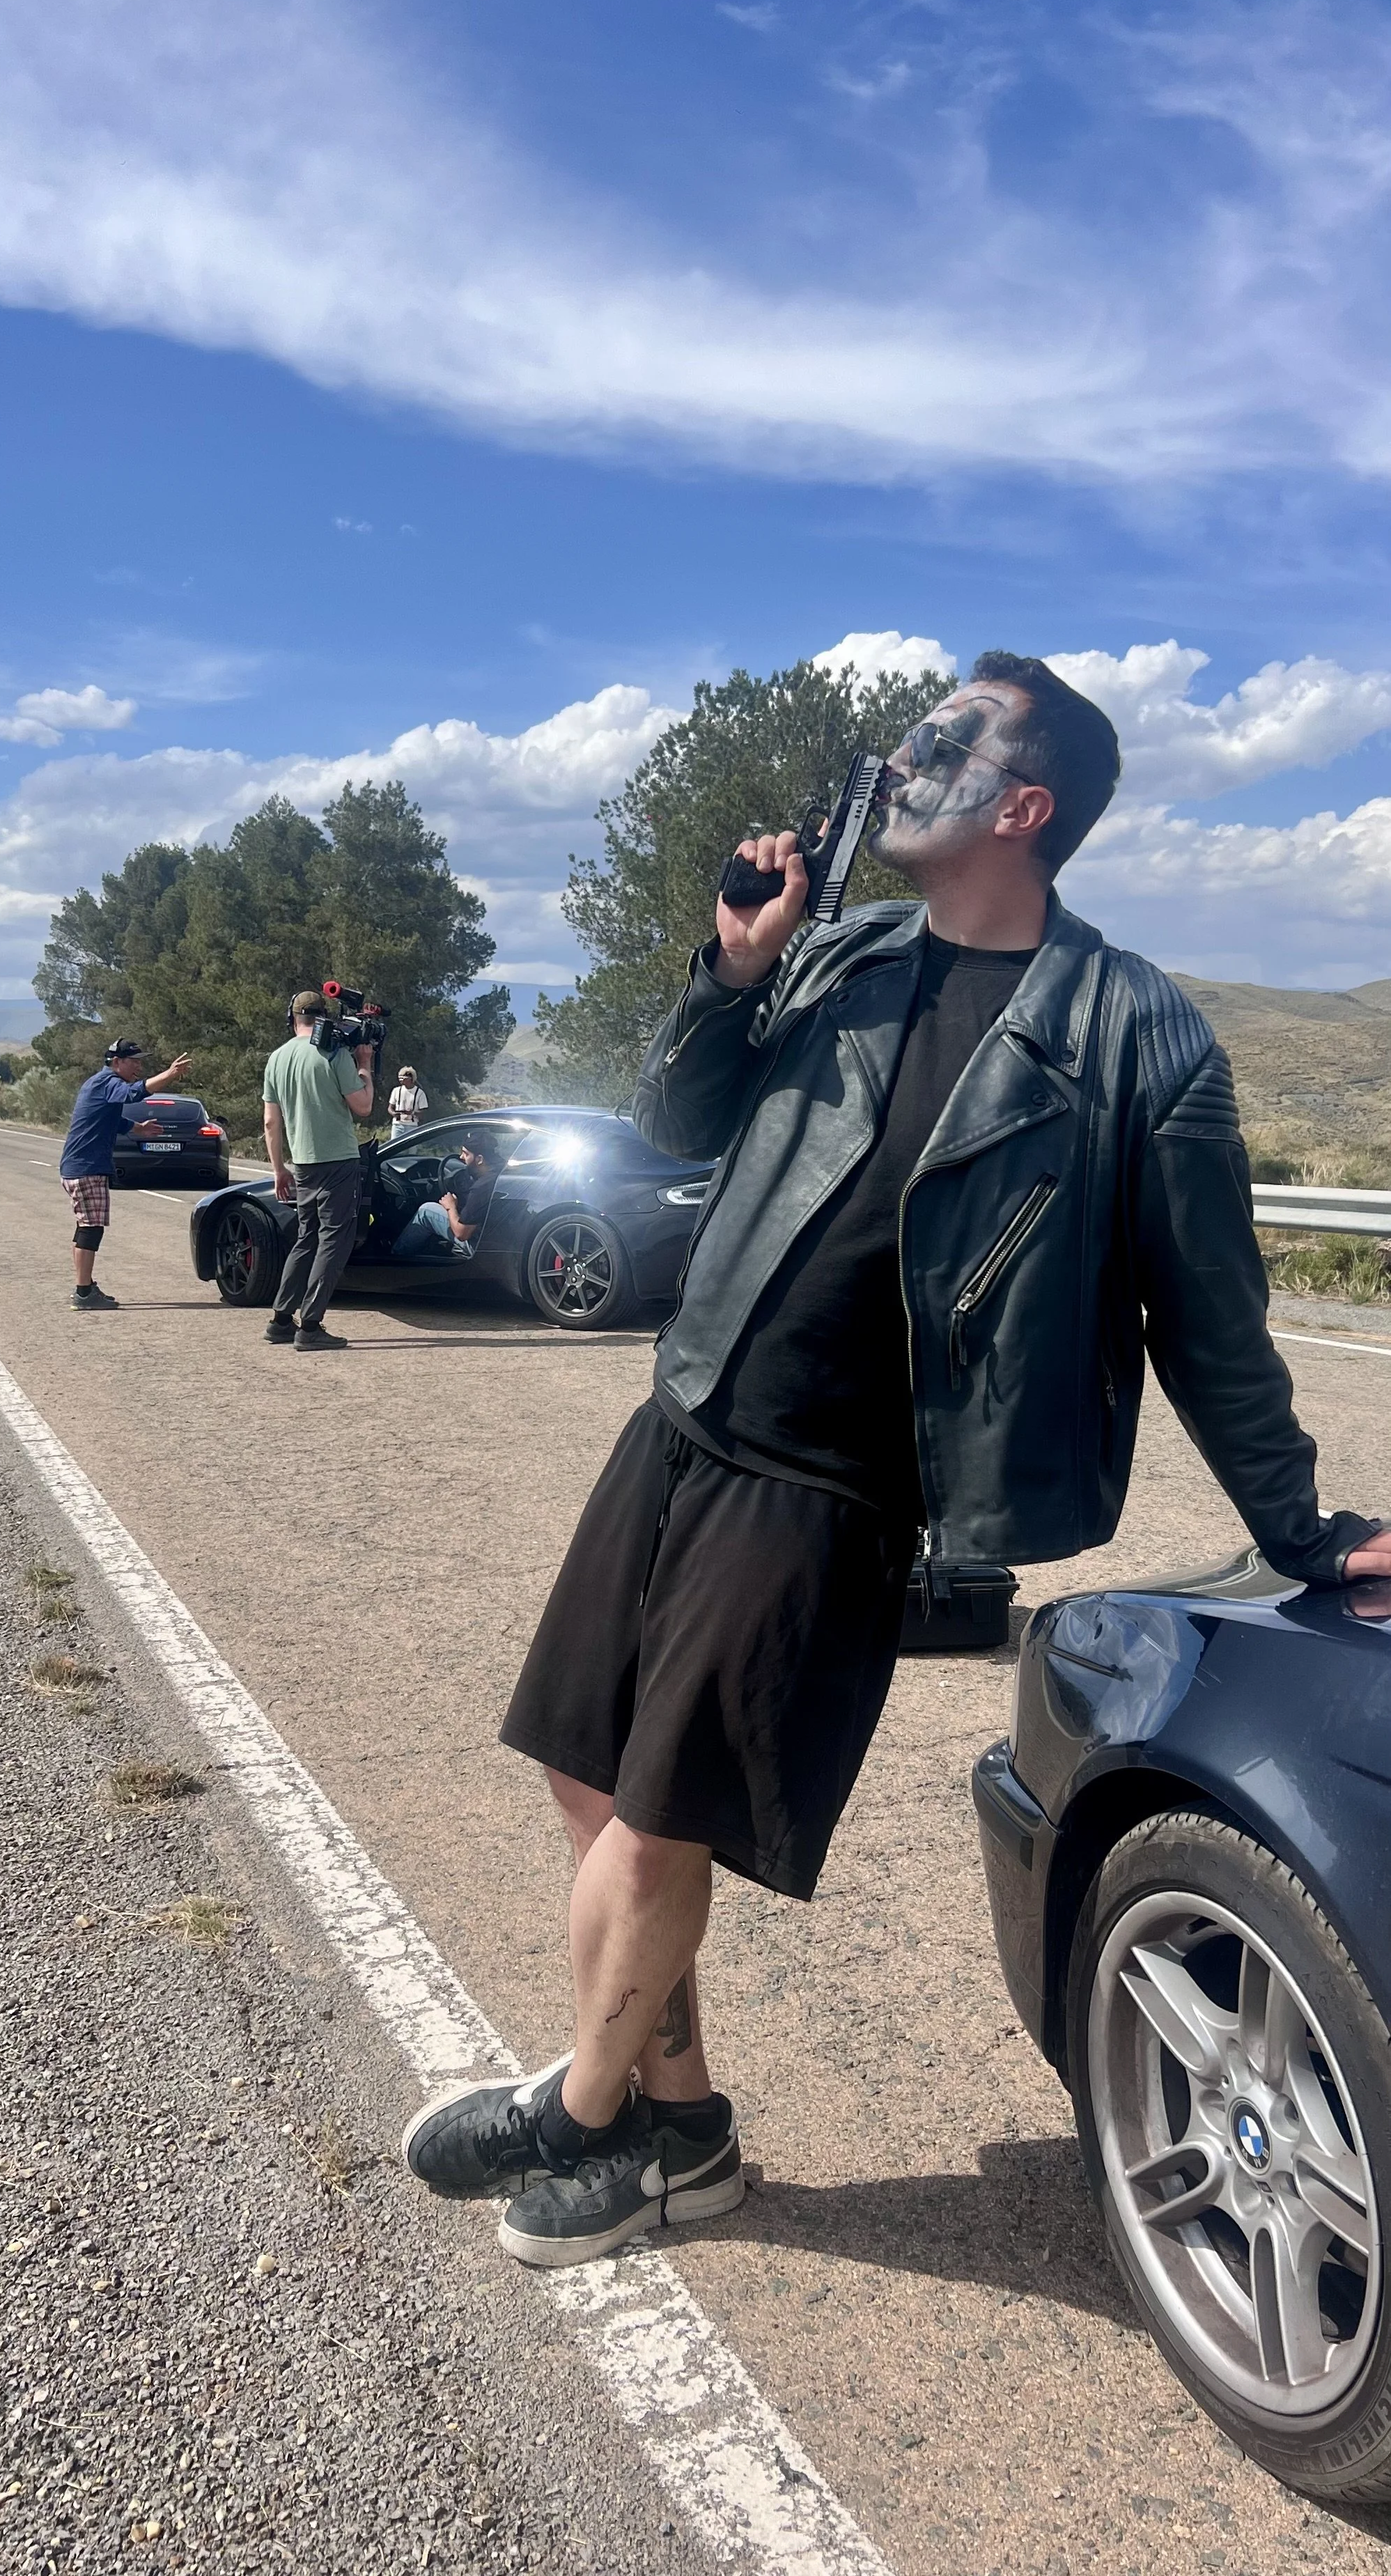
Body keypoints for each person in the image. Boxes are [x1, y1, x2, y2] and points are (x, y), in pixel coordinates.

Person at [401, 649, 1391, 2270]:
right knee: (592, 1775)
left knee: (665, 1822)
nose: (898, 755)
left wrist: (1299, 1523)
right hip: (689, 1409)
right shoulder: (840, 952)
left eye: (944, 739)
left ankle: (584, 2119)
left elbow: (1211, 1318)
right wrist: (732, 965)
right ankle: (684, 2128)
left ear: (1023, 804)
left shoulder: (1135, 1035)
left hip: (832, 1482)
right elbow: (675, 1122)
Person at [261, 992, 375, 1353]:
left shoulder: (277, 1059)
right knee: (333, 1241)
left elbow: (270, 1122)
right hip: (338, 1159)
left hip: (303, 1162)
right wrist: (365, 1066)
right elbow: (364, 1106)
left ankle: (281, 1320)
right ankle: (310, 1326)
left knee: (306, 1238)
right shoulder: (335, 1055)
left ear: (291, 1017)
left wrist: (280, 1169)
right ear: (323, 1017)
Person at [59, 1037, 191, 1311]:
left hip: (80, 1166)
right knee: (91, 1229)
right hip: (87, 1168)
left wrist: (137, 1129)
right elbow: (135, 1094)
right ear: (116, 1062)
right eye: (134, 1062)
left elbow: (110, 1119)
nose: (138, 1068)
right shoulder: (109, 1082)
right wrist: (169, 1074)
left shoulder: (99, 1084)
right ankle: (83, 1293)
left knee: (86, 1227)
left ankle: (85, 1286)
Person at [390, 1134, 497, 1261]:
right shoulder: (498, 1172)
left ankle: (397, 1258)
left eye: (466, 1154)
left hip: (477, 1244)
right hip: (494, 1237)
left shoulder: (481, 1187)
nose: (461, 1157)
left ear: (479, 1159)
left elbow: (462, 1234)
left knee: (426, 1211)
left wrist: (451, 1207)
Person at [388, 1066, 429, 1138]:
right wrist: (394, 1114)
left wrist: (413, 1113)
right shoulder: (396, 1091)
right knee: (395, 1148)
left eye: (403, 1078)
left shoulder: (420, 1093)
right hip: (397, 1125)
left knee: (412, 1149)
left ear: (411, 1078)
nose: (401, 1080)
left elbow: (424, 1113)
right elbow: (390, 1108)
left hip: (412, 1126)